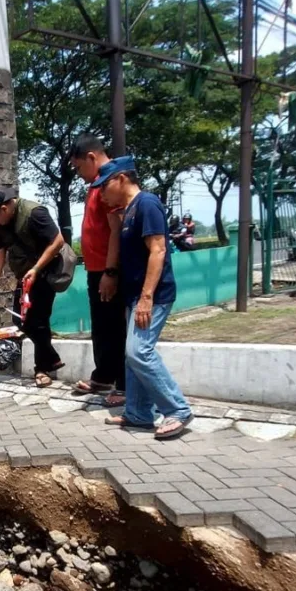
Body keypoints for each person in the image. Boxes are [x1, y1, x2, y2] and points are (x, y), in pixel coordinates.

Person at [93, 157, 193, 440]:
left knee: (140, 352)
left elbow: (158, 250)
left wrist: (147, 297)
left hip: (153, 295)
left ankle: (177, 409)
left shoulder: (147, 204)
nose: (101, 193)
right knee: (131, 354)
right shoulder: (130, 211)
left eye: (104, 186)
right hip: (135, 294)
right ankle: (138, 413)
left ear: (122, 178)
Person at [0, 186, 67, 388]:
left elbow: (58, 241)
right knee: (21, 320)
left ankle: (42, 369)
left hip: (46, 273)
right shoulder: (1, 225)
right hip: (26, 275)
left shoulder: (34, 213)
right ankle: (51, 359)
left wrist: (36, 269)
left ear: (4, 208)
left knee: (38, 321)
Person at [68, 135, 125, 405]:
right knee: (102, 328)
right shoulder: (95, 184)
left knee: (116, 328)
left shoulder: (112, 182)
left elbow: (116, 229)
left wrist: (111, 272)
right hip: (95, 269)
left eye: (79, 167)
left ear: (92, 157)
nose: (79, 175)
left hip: (108, 270)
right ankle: (103, 376)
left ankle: (124, 385)